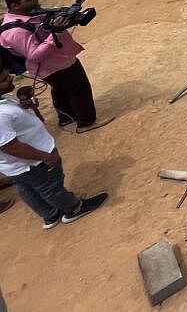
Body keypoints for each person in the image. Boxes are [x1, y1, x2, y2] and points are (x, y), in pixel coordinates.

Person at [0, 66, 108, 228]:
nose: (10, 79)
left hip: (17, 168)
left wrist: (22, 108)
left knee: (27, 188)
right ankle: (73, 209)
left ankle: (50, 215)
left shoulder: (2, 102)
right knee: (50, 186)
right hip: (33, 162)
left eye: (8, 75)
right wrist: (45, 157)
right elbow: (11, 147)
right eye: (4, 79)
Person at [1, 0, 113, 134]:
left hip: (56, 61)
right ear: (15, 6)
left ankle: (66, 118)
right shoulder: (15, 32)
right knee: (79, 89)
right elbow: (35, 55)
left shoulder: (28, 15)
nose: (36, 0)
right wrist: (56, 32)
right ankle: (86, 122)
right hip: (55, 65)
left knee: (61, 89)